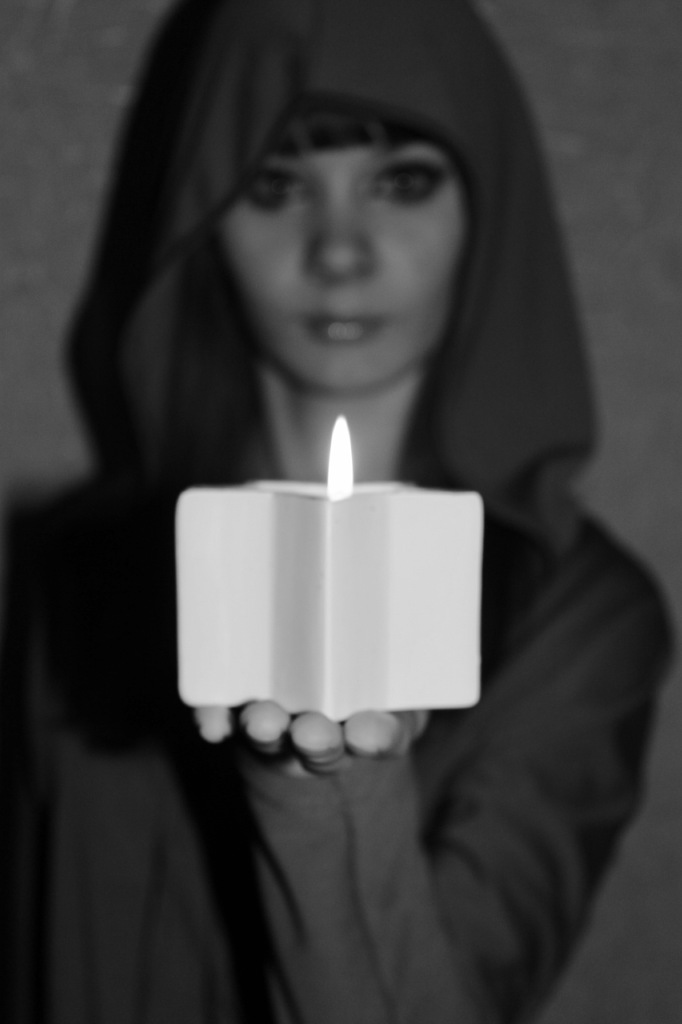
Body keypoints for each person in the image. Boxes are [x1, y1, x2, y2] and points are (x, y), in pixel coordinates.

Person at [0, 0, 672, 1021]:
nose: (339, 251)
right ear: (204, 214)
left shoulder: (575, 614)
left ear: (491, 207)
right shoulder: (82, 573)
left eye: (403, 182)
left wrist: (324, 793)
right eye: (274, 185)